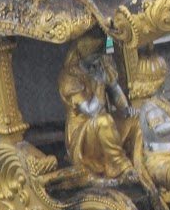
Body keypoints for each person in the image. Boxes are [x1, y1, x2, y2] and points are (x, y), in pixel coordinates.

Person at [58, 34, 139, 180]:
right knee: (104, 121)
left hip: (105, 124)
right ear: (82, 56)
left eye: (99, 56)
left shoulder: (102, 64)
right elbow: (91, 111)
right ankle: (121, 167)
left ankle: (140, 160)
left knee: (137, 120)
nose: (98, 61)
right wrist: (100, 84)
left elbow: (115, 92)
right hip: (83, 133)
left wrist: (126, 109)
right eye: (94, 58)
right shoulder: (69, 78)